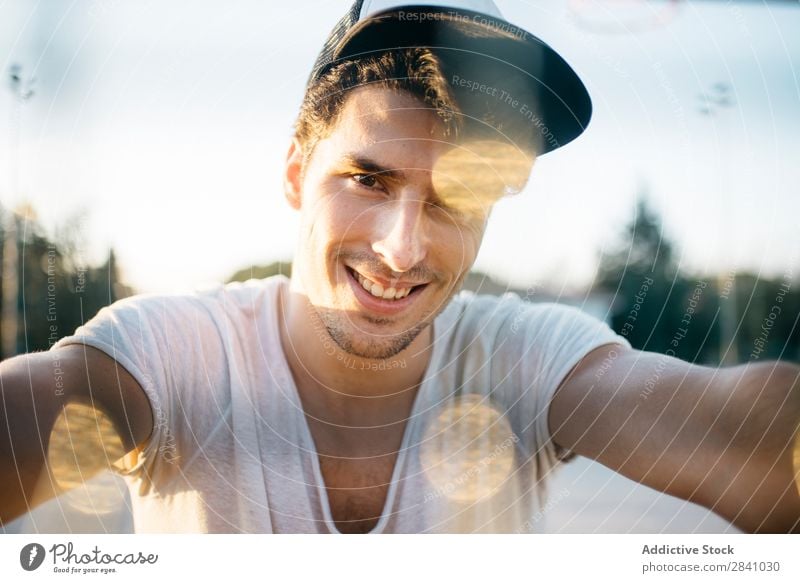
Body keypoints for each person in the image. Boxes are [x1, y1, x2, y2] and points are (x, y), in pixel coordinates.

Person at [1, 0, 798, 534]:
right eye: (368, 179)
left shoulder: (521, 358)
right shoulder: (176, 353)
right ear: (293, 174)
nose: (403, 247)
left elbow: (740, 432)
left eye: (453, 198)